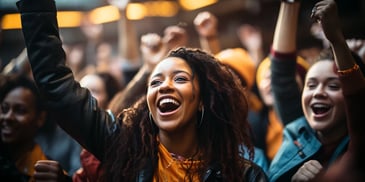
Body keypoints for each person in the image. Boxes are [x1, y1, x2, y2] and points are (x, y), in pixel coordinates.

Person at [16, 0, 268, 181]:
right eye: (155, 82)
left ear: (202, 99)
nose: (165, 86)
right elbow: (56, 86)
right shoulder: (123, 146)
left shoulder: (244, 175)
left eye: (179, 79)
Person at [268, 0, 365, 181]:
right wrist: (289, 4)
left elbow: (357, 96)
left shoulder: (359, 146)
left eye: (333, 86)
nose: (318, 92)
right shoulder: (297, 130)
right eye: (311, 85)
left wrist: (336, 40)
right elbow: (281, 77)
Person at [0, 74, 48, 181]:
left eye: (20, 111)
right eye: (4, 109)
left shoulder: (46, 174)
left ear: (40, 118)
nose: (8, 117)